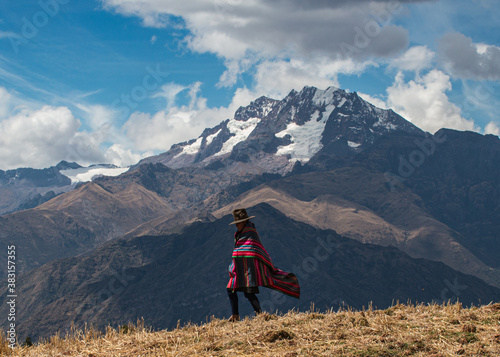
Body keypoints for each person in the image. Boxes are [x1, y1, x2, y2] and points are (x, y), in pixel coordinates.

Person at [226, 208, 300, 322]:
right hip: (240, 269)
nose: (237, 226)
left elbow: (253, 250)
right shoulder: (239, 234)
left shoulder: (250, 234)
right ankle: (236, 315)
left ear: (244, 222)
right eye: (236, 223)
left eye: (238, 223)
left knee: (248, 293)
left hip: (249, 271)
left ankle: (259, 315)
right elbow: (240, 251)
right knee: (231, 289)